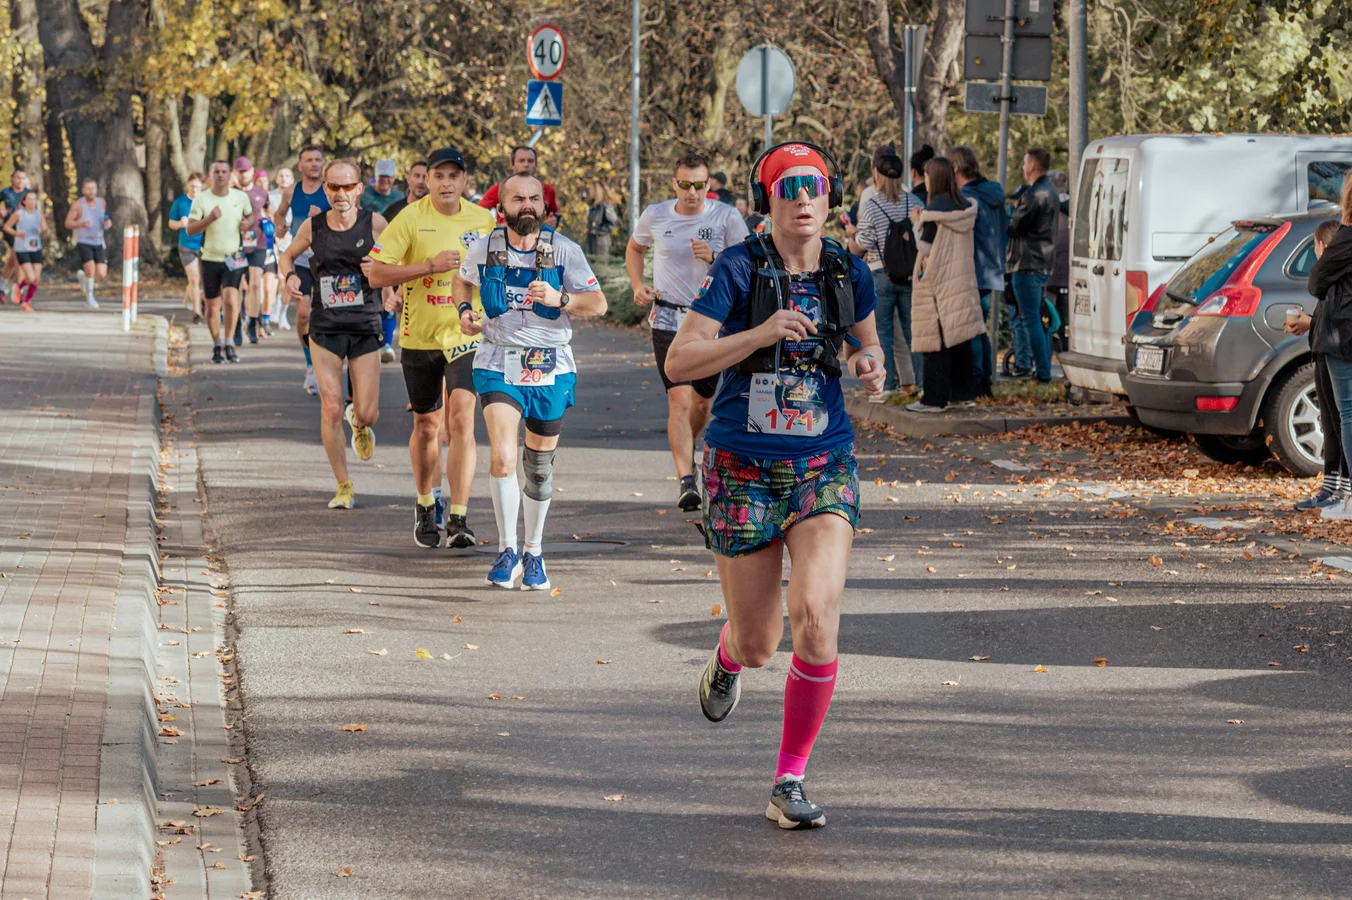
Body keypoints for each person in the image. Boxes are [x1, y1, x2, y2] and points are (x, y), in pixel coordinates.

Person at [664, 143, 885, 830]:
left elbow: (867, 343)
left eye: (814, 184)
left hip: (823, 463)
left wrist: (872, 363)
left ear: (830, 193)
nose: (803, 197)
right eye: (789, 186)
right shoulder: (738, 268)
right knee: (760, 643)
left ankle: (789, 779)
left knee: (816, 617)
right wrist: (758, 333)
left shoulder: (847, 269)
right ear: (769, 200)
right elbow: (680, 361)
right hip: (742, 467)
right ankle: (728, 657)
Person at [454, 173, 607, 590]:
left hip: (550, 364)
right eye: (518, 198)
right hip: (498, 358)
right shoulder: (484, 247)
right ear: (501, 207)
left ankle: (533, 552)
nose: (527, 205)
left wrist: (561, 299)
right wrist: (464, 311)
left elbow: (598, 303)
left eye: (534, 199)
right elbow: (462, 280)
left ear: (544, 206)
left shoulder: (564, 250)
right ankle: (507, 550)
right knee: (503, 456)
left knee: (538, 468)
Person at [365, 146, 496, 549]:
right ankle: (426, 504)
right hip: (420, 336)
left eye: (453, 176)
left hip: (466, 334)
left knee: (462, 421)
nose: (445, 183)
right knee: (426, 426)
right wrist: (428, 267)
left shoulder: (484, 220)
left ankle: (459, 517)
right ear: (427, 180)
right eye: (438, 176)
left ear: (464, 181)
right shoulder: (410, 218)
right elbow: (376, 274)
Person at [628, 150, 749, 511]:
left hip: (710, 323)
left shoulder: (726, 216)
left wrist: (715, 257)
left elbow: (747, 263)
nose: (692, 192)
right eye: (685, 184)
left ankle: (687, 448)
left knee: (702, 402)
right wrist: (638, 284)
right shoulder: (656, 214)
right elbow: (635, 248)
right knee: (679, 401)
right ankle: (686, 480)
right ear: (674, 183)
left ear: (709, 184)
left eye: (699, 185)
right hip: (668, 318)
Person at [279, 158, 387, 510]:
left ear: (359, 189)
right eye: (334, 187)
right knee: (330, 406)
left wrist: (384, 274)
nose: (341, 193)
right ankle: (343, 485)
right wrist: (289, 276)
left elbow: (398, 261)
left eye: (347, 186)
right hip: (325, 324)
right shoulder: (314, 226)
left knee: (368, 413)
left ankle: (359, 423)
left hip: (365, 323)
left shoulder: (375, 223)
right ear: (325, 189)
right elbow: (287, 256)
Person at [906, 157, 985, 413]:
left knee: (936, 341)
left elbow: (926, 248)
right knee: (959, 339)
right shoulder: (963, 205)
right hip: (961, 280)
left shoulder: (935, 209)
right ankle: (964, 394)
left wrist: (916, 223)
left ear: (935, 178)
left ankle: (933, 399)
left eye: (928, 176)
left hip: (938, 282)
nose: (926, 181)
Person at [849, 146, 924, 401]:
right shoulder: (914, 202)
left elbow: (865, 241)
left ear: (877, 175)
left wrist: (853, 237)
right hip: (910, 275)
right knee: (913, 332)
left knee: (882, 333)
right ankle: (922, 384)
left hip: (880, 274)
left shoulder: (873, 205)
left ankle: (887, 385)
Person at [1287, 218, 1350, 512]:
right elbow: (1326, 320)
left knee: (1341, 419)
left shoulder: (1334, 275)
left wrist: (1309, 323)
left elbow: (1337, 320)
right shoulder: (1332, 278)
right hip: (1324, 350)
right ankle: (1331, 485)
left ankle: (1343, 488)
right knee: (1330, 419)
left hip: (1335, 349)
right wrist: (1308, 324)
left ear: (1322, 247)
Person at [949, 146, 1008, 398]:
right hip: (992, 269)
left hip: (972, 269)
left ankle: (977, 381)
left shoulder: (966, 197)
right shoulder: (993, 194)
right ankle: (984, 380)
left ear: (955, 168)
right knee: (979, 328)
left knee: (971, 329)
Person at [187, 160, 256, 364]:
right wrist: (209, 219)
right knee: (212, 306)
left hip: (233, 256)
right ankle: (217, 344)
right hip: (210, 257)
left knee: (232, 299)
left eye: (224, 171)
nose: (220, 175)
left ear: (230, 174)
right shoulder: (202, 199)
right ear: (210, 175)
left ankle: (229, 342)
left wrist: (247, 224)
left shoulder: (240, 197)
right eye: (216, 171)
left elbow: (251, 216)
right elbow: (190, 229)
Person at [274, 146, 331, 394]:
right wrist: (280, 227)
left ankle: (328, 361)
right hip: (301, 260)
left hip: (328, 261)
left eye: (318, 159)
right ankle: (310, 364)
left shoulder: (331, 191)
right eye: (309, 160)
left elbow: (349, 218)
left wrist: (324, 216)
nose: (314, 164)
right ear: (300, 166)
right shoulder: (291, 191)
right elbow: (279, 214)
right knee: (304, 314)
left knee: (329, 314)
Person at [1007, 147, 1059, 383]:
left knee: (1030, 320)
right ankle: (1043, 369)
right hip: (1041, 262)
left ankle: (1043, 372)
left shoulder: (1035, 195)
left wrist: (1009, 212)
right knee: (1038, 318)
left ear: (1032, 166)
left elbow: (1014, 227)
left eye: (1025, 162)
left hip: (1027, 263)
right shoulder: (1049, 191)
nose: (1022, 166)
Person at [379, 160, 429, 362]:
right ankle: (389, 345)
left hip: (427, 274)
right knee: (395, 311)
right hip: (397, 270)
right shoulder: (393, 211)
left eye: (425, 177)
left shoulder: (438, 212)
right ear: (408, 178)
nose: (421, 181)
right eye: (416, 176)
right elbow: (381, 249)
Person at [232, 157, 273, 343]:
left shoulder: (261, 193)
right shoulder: (230, 193)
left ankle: (253, 322)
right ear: (235, 173)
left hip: (258, 243)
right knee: (237, 286)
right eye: (240, 171)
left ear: (252, 171)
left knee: (255, 283)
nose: (243, 174)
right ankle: (237, 322)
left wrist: (271, 224)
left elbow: (270, 211)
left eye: (246, 171)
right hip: (235, 244)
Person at [477, 146, 559, 224]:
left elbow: (555, 214)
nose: (526, 165)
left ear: (535, 165)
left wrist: (554, 221)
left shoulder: (547, 190)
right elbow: (477, 213)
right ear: (512, 165)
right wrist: (496, 226)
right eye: (521, 161)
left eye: (530, 161)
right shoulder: (499, 189)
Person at [66, 178, 112, 309]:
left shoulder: (101, 202)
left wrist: (107, 223)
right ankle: (90, 298)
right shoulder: (78, 205)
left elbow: (105, 217)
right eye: (89, 189)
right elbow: (68, 223)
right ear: (83, 190)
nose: (92, 191)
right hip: (84, 241)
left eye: (94, 188)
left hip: (99, 241)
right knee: (90, 270)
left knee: (101, 273)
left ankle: (83, 277)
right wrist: (80, 223)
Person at [169, 172, 207, 323]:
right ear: (187, 185)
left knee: (206, 280)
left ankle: (202, 301)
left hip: (206, 245)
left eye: (197, 187)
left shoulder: (207, 201)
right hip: (187, 245)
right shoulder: (181, 202)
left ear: (202, 186)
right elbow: (171, 223)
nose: (194, 189)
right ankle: (197, 313)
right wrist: (180, 224)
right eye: (192, 186)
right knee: (194, 279)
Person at [3, 190, 49, 311]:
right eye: (30, 199)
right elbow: (6, 227)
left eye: (34, 199)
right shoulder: (19, 214)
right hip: (22, 248)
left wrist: (45, 231)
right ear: (24, 201)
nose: (32, 201)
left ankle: (25, 300)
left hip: (36, 248)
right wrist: (17, 233)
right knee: (31, 277)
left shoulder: (38, 213)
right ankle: (21, 293)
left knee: (36, 279)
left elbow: (45, 228)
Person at [1047, 169, 1072, 352]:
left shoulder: (1048, 207)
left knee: (1047, 317)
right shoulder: (1075, 207)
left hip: (1050, 274)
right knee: (1066, 319)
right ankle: (1066, 350)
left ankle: (1046, 354)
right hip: (1070, 275)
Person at [254, 170, 281, 334]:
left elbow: (279, 231)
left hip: (270, 254)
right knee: (257, 290)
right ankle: (255, 321)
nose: (263, 186)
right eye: (260, 182)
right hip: (256, 253)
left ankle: (266, 321)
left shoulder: (272, 212)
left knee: (269, 290)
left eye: (265, 182)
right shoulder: (251, 209)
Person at [271, 168, 295, 330]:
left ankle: (282, 313)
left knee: (288, 279)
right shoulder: (270, 197)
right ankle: (276, 306)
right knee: (280, 278)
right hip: (273, 242)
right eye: (281, 176)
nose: (284, 179)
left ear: (292, 179)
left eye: (287, 176)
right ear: (276, 178)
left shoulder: (298, 197)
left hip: (292, 242)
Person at [0, 169, 30, 304]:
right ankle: (20, 291)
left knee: (12, 261)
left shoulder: (28, 194)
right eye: (17, 178)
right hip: (10, 229)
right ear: (13, 179)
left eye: (22, 178)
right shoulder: (6, 193)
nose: (20, 180)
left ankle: (1, 288)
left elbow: (36, 210)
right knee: (18, 258)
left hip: (25, 231)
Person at [585, 182, 618, 259]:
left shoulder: (605, 206)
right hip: (591, 240)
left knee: (600, 263)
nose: (590, 192)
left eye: (592, 190)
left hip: (601, 241)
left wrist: (598, 230)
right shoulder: (593, 206)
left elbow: (612, 222)